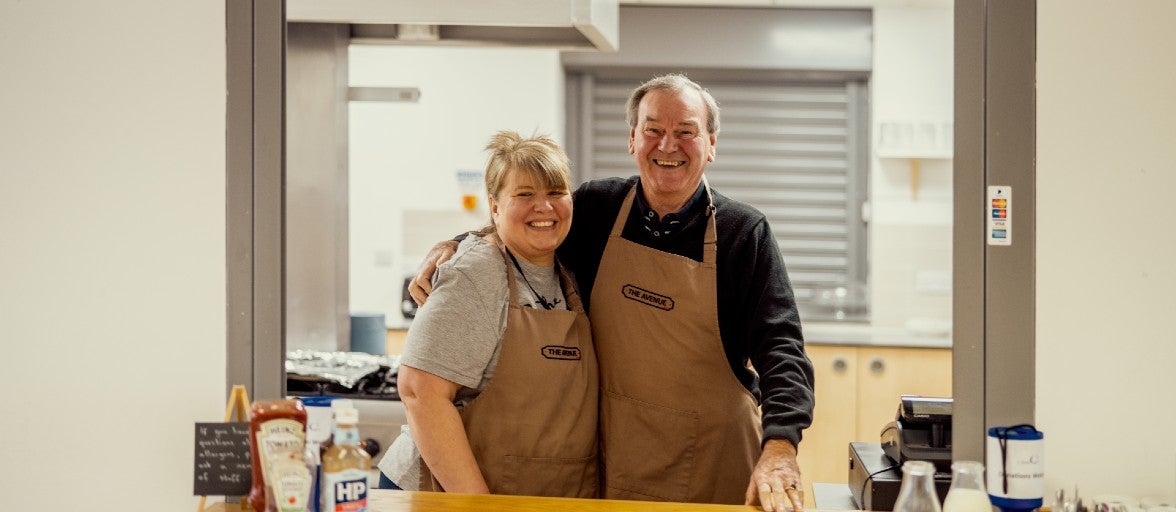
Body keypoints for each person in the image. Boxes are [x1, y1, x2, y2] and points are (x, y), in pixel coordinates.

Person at [410, 75, 814, 512]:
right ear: (633, 139)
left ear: (711, 144)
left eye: (686, 132)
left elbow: (782, 349)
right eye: (653, 130)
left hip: (716, 462)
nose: (667, 145)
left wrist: (780, 447)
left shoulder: (743, 233)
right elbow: (532, 220)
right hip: (621, 462)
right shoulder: (598, 210)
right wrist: (457, 242)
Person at [376, 131, 598, 498]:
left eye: (555, 193)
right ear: (495, 207)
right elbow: (420, 392)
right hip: (448, 494)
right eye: (524, 195)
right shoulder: (475, 271)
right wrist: (477, 504)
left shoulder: (568, 270)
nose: (544, 207)